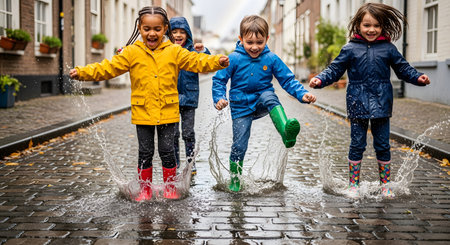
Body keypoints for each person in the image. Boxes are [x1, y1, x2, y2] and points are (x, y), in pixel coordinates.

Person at [69, 6, 229, 201]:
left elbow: (196, 61)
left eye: (157, 29)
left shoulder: (174, 51)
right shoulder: (131, 52)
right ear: (139, 27)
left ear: (165, 29)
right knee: (145, 151)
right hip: (143, 111)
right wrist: (82, 73)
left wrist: (217, 61)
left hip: (168, 111)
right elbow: (108, 68)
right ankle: (145, 189)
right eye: (147, 29)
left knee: (167, 150)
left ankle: (170, 187)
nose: (152, 33)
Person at [309, 3, 430, 198]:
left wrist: (417, 77)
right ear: (358, 25)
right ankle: (354, 186)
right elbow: (334, 69)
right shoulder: (349, 49)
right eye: (367, 25)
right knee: (357, 144)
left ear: (382, 26)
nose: (371, 30)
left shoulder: (388, 48)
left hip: (382, 103)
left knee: (382, 145)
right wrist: (320, 79)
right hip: (357, 103)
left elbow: (403, 68)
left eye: (376, 25)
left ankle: (386, 186)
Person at [212, 15, 317, 192]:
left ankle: (285, 130)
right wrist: (219, 98)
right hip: (240, 106)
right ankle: (235, 180)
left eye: (259, 42)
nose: (255, 47)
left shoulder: (271, 58)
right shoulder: (234, 59)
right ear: (241, 39)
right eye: (249, 42)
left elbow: (287, 79)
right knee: (239, 144)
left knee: (270, 95)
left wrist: (302, 93)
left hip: (262, 100)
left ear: (267, 39)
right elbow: (219, 80)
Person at [170, 17, 209, 175]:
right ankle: (175, 163)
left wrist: (203, 51)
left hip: (189, 97)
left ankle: (190, 161)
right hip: (170, 98)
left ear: (188, 34)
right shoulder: (165, 51)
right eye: (174, 32)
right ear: (168, 33)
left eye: (182, 32)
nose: (178, 35)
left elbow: (206, 61)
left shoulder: (193, 50)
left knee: (188, 133)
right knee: (172, 134)